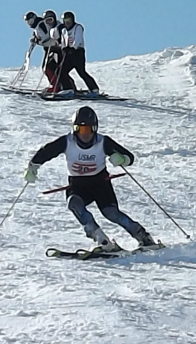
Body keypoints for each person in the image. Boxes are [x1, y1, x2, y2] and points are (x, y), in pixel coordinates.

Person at [23, 106, 155, 250]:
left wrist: (122, 159)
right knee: (74, 204)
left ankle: (142, 235)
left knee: (111, 213)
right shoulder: (67, 142)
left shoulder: (103, 142)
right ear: (74, 129)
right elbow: (46, 152)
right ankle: (101, 239)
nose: (85, 134)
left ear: (95, 128)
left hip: (101, 185)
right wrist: (33, 166)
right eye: (80, 129)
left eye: (89, 129)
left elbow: (130, 157)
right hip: (78, 186)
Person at [57, 11, 99, 96]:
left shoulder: (77, 27)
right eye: (65, 20)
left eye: (69, 20)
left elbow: (78, 39)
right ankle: (68, 88)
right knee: (60, 71)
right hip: (68, 53)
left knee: (81, 72)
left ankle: (94, 89)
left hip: (77, 53)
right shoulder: (64, 30)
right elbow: (63, 41)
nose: (67, 22)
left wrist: (73, 48)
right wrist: (64, 48)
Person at [24, 11, 63, 89]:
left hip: (53, 48)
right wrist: (35, 38)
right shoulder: (38, 26)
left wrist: (38, 41)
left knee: (49, 68)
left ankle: (57, 86)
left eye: (30, 21)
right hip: (49, 48)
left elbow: (46, 37)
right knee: (48, 68)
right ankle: (57, 85)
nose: (30, 24)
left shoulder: (41, 24)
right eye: (28, 22)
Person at [41, 10, 76, 93]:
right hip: (55, 51)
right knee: (50, 68)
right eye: (47, 21)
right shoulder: (50, 28)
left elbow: (65, 39)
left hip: (62, 51)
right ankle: (61, 86)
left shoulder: (60, 27)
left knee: (57, 69)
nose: (49, 23)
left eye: (50, 20)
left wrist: (58, 45)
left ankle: (63, 87)